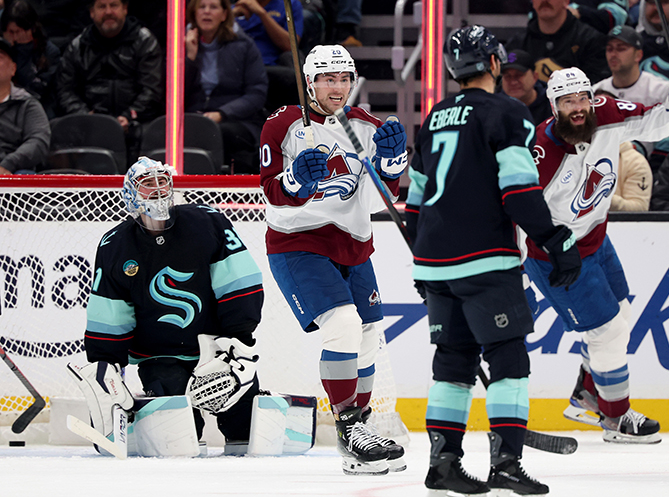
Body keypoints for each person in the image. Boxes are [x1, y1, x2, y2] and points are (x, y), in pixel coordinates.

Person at [406, 25, 582, 496]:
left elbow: (415, 204)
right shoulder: (508, 112)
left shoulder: (434, 117)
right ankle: (506, 464)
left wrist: (425, 260)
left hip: (435, 261)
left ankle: (443, 463)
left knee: (453, 360)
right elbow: (519, 192)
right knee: (508, 358)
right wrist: (554, 239)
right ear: (495, 64)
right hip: (485, 258)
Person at [525, 66, 669, 444]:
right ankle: (616, 417)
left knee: (620, 314)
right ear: (553, 107)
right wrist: (518, 274)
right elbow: (514, 211)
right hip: (555, 256)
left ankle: (588, 394)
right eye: (568, 101)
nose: (578, 108)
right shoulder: (540, 154)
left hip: (596, 239)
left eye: (583, 98)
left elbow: (648, 123)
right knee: (607, 333)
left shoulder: (605, 113)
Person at [259, 44, 408, 476]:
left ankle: (361, 434)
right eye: (327, 78)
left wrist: (394, 161)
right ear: (310, 81)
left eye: (344, 78)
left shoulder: (364, 125)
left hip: (354, 245)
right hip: (297, 243)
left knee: (367, 333)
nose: (337, 87)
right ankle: (348, 424)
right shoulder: (282, 124)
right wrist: (295, 181)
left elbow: (389, 196)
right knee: (341, 324)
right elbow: (271, 192)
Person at [81, 157, 264, 450]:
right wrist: (108, 368)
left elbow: (240, 281)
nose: (156, 190)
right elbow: (110, 310)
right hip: (159, 356)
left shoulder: (207, 222)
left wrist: (238, 343)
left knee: (245, 430)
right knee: (177, 439)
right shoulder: (115, 244)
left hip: (218, 349)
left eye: (162, 181)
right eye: (147, 184)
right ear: (130, 194)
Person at [56, 0, 163, 164]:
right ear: (91, 12)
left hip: (137, 123)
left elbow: (152, 89)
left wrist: (128, 116)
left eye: (113, 5)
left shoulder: (144, 41)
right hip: (90, 125)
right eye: (101, 6)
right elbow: (65, 90)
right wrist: (86, 116)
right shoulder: (78, 46)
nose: (108, 12)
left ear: (125, 8)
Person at [185, 0, 268, 174]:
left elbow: (257, 92)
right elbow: (171, 94)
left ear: (224, 14)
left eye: (213, 7)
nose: (207, 12)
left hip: (236, 119)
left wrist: (222, 113)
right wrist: (189, 59)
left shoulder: (243, 45)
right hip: (193, 117)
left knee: (220, 133)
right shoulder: (180, 44)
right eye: (202, 7)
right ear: (194, 13)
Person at [505, 0, 609, 84]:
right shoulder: (517, 43)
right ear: (533, 0)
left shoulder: (591, 40)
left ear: (566, 0)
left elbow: (597, 85)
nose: (545, 0)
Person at [233, 0, 305, 112]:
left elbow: (290, 45)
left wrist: (262, 13)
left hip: (270, 68)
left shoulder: (290, 5)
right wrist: (229, 15)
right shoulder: (233, 9)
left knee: (292, 73)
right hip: (236, 68)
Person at [1, 0, 60, 118]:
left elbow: (36, 89)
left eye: (18, 31)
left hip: (38, 105)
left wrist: (23, 49)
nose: (14, 37)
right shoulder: (2, 52)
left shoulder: (50, 52)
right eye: (10, 32)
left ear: (31, 29)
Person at [0, 37, 49, 175]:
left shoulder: (27, 104)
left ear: (13, 69)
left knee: (25, 176)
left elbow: (38, 141)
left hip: (13, 171)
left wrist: (8, 164)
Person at [593, 25, 669, 107]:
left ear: (638, 55)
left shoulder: (662, 91)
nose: (613, 54)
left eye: (621, 49)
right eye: (609, 49)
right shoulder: (595, 92)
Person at [500, 48, 552, 124]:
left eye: (519, 75)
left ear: (535, 77)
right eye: (507, 76)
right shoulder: (495, 106)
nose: (513, 82)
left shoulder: (552, 104)